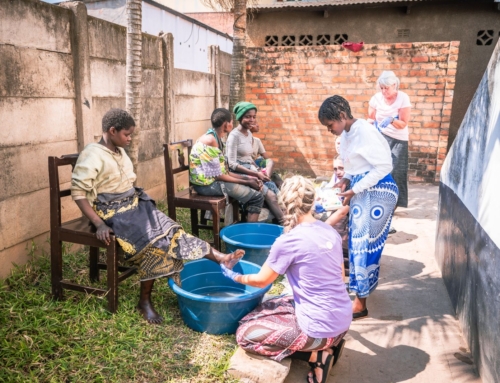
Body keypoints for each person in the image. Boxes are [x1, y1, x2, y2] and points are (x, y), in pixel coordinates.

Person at [71, 108, 244, 324]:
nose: (130, 139)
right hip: (112, 212)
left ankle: (219, 257)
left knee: (172, 230)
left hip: (135, 205)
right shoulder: (92, 154)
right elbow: (78, 194)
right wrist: (99, 224)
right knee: (155, 245)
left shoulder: (119, 150)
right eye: (127, 134)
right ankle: (144, 301)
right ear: (112, 131)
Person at [221, 176, 351, 383]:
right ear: (312, 201)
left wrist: (234, 275)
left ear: (284, 204)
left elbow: (261, 281)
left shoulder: (288, 241)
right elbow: (342, 278)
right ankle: (325, 348)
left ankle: (315, 355)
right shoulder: (329, 231)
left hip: (319, 333)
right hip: (342, 322)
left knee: (245, 333)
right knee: (275, 302)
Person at [318, 95, 399, 319]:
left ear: (342, 116)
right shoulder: (346, 134)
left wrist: (356, 187)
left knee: (364, 245)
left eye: (330, 125)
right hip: (364, 190)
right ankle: (359, 292)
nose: (329, 130)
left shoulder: (365, 131)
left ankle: (361, 304)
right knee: (356, 243)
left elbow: (383, 166)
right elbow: (355, 164)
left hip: (379, 191)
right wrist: (347, 180)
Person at [189, 108, 265, 222]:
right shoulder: (210, 140)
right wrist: (247, 181)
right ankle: (250, 235)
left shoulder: (216, 138)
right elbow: (218, 176)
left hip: (213, 182)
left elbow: (225, 172)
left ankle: (240, 226)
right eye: (231, 122)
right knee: (257, 197)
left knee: (252, 187)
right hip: (205, 186)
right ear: (226, 124)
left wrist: (250, 178)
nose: (232, 125)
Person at [226, 102, 284, 223]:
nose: (252, 120)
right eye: (248, 116)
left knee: (276, 191)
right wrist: (256, 174)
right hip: (241, 174)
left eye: (254, 116)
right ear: (240, 117)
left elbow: (248, 157)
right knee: (271, 196)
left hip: (252, 170)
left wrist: (257, 169)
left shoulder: (249, 134)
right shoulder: (234, 136)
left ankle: (281, 224)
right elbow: (231, 164)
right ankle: (285, 224)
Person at [368, 70, 411, 216]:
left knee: (396, 171)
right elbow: (371, 119)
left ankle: (393, 204)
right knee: (380, 170)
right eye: (381, 88)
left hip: (398, 139)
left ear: (394, 85)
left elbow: (403, 123)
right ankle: (380, 201)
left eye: (386, 88)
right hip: (380, 138)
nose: (384, 91)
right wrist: (371, 130)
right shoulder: (376, 98)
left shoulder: (403, 98)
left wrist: (392, 120)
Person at [249, 122, 283, 189]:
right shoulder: (242, 141)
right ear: (249, 126)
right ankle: (267, 181)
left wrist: (268, 167)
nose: (258, 125)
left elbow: (266, 158)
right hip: (248, 165)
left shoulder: (257, 141)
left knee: (270, 163)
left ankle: (266, 179)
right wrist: (258, 169)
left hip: (256, 163)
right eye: (255, 124)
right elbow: (246, 159)